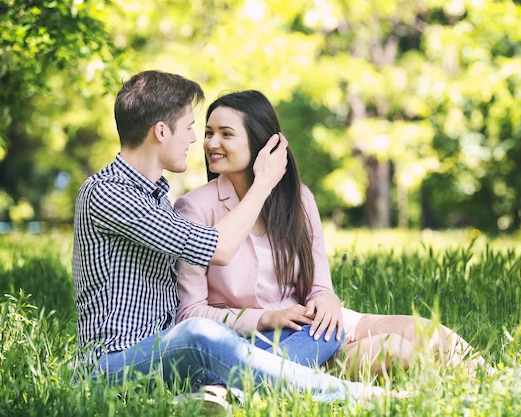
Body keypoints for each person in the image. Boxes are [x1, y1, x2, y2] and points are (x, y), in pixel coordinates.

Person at [72, 70, 391, 406]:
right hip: (114, 365)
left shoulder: (155, 197)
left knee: (325, 328)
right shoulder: (108, 194)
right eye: (190, 127)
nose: (196, 140)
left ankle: (228, 392)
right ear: (161, 132)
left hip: (174, 360)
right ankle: (357, 396)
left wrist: (324, 299)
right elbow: (219, 248)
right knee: (201, 334)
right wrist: (264, 182)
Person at [174, 89, 494, 380]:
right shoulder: (195, 208)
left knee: (426, 332)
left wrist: (325, 298)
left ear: (260, 141)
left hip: (315, 328)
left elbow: (319, 284)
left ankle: (496, 381)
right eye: (209, 133)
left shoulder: (299, 200)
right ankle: (265, 379)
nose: (211, 143)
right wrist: (268, 317)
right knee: (396, 350)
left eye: (225, 134)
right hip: (253, 339)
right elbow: (190, 314)